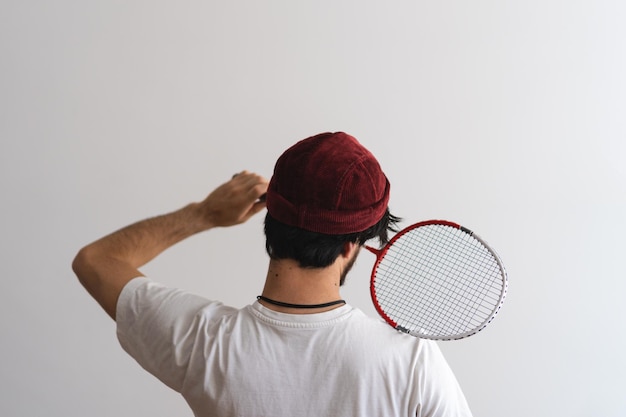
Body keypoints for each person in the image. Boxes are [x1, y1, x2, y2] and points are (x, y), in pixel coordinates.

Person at [73, 132, 473, 417]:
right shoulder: (410, 363)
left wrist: (204, 214)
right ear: (351, 245)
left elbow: (95, 260)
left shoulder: (202, 342)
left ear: (271, 216)